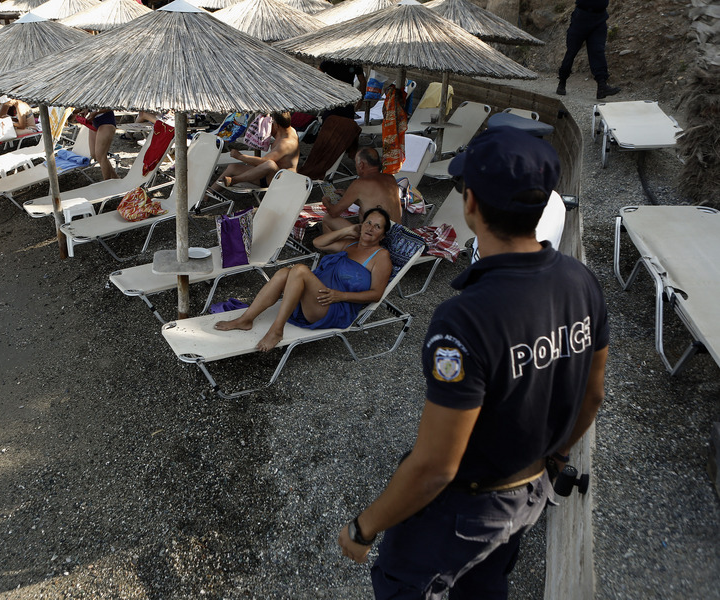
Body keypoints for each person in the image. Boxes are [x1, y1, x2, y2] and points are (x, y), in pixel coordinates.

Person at [337, 127, 609, 600]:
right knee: (484, 587)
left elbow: (435, 468)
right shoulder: (581, 282)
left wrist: (365, 528)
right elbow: (593, 395)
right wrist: (555, 461)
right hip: (528, 494)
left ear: (471, 205)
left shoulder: (465, 317)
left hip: (463, 511)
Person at [215, 208, 393, 352]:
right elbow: (318, 243)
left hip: (335, 308)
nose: (370, 228)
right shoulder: (350, 244)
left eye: (377, 227)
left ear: (383, 236)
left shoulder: (381, 256)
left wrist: (341, 296)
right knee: (285, 273)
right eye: (368, 223)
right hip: (318, 298)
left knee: (300, 270)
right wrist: (347, 230)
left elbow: (376, 294)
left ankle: (277, 329)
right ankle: (246, 319)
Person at [322, 147, 401, 233]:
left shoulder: (360, 183)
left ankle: (341, 246)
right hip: (397, 236)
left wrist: (326, 201)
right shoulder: (390, 178)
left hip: (377, 239)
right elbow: (374, 203)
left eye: (356, 163)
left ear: (361, 165)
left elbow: (334, 212)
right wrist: (347, 196)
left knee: (328, 218)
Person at [212, 112, 300, 190]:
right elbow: (263, 132)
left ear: (277, 125)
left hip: (282, 178)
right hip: (268, 174)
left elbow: (263, 162)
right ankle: (209, 193)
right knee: (232, 167)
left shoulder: (286, 143)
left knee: (269, 164)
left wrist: (240, 156)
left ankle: (235, 180)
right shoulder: (284, 130)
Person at [556, 0, 621, 99]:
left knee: (598, 50)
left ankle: (602, 86)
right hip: (581, 18)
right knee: (572, 51)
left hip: (599, 18)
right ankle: (562, 81)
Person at [82, 109, 119, 180]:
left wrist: (95, 113)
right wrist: (86, 110)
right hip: (94, 121)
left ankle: (107, 184)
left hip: (106, 120)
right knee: (94, 154)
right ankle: (115, 178)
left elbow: (110, 106)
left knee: (100, 155)